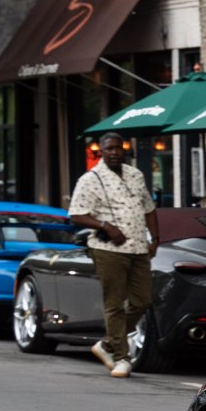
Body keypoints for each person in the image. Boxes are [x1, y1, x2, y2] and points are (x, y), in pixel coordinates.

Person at [68, 131, 160, 378]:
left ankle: (108, 343)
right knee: (115, 302)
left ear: (124, 149)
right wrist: (106, 227)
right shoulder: (91, 179)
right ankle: (121, 357)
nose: (114, 152)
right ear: (101, 150)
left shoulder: (135, 174)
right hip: (108, 249)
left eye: (118, 148)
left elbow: (149, 209)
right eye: (109, 148)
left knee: (143, 300)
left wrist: (156, 239)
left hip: (139, 247)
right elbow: (76, 214)